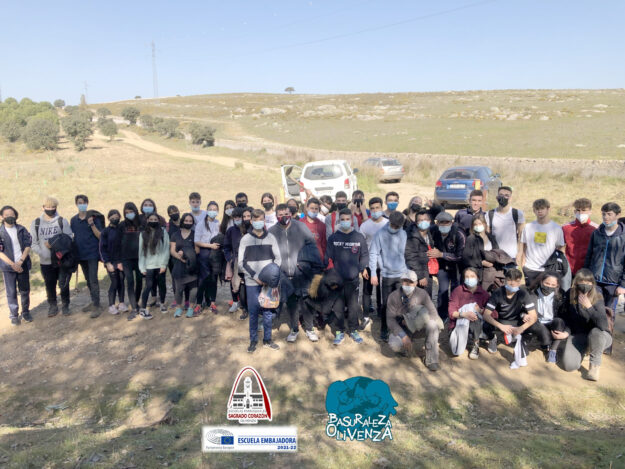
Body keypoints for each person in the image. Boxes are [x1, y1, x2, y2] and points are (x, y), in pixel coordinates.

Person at [269, 204, 322, 342]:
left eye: (286, 213)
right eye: (280, 215)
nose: (284, 217)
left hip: (302, 273)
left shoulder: (301, 227)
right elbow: (268, 252)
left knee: (306, 303)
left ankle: (310, 329)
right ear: (276, 216)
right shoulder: (272, 231)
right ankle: (294, 329)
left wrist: (307, 263)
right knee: (291, 304)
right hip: (284, 275)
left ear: (291, 214)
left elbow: (312, 245)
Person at [238, 209, 282, 352]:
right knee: (253, 311)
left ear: (264, 221)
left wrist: (270, 276)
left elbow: (278, 259)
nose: (258, 222)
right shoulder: (245, 239)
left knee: (268, 311)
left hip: (268, 283)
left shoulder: (271, 238)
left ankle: (267, 339)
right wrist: (255, 276)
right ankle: (253, 340)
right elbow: (241, 263)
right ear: (251, 221)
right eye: (255, 220)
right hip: (252, 282)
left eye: (261, 219)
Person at [558, 269, 612, 381]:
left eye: (588, 283)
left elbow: (602, 325)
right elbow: (566, 317)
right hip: (580, 335)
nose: (585, 285)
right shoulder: (570, 294)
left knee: (596, 333)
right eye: (581, 282)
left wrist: (589, 307)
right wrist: (566, 332)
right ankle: (585, 350)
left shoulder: (597, 297)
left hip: (600, 336)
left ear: (592, 284)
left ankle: (594, 366)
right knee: (569, 365)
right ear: (576, 282)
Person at [326, 208, 369, 345]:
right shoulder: (333, 237)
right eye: (342, 219)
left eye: (347, 219)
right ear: (339, 221)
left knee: (353, 306)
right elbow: (328, 257)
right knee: (338, 307)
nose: (345, 221)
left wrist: (362, 268)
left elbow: (364, 255)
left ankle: (353, 330)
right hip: (337, 280)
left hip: (353, 279)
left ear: (352, 220)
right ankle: (339, 331)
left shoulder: (359, 237)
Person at [482, 268, 540, 369]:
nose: (513, 283)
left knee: (535, 325)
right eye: (509, 280)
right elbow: (486, 314)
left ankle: (523, 341)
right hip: (501, 321)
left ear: (520, 282)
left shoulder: (523, 293)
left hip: (517, 321)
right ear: (505, 280)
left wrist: (521, 328)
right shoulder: (498, 293)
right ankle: (492, 338)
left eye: (516, 281)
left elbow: (534, 316)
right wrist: (501, 326)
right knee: (486, 325)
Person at [387, 270, 442, 371]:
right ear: (401, 281)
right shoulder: (393, 296)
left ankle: (431, 360)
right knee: (394, 344)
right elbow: (390, 320)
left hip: (418, 326)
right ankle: (405, 348)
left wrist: (417, 320)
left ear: (416, 283)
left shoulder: (423, 294)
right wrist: (403, 336)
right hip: (402, 328)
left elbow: (433, 313)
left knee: (433, 325)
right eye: (405, 281)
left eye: (411, 282)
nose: (407, 284)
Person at [30, 197, 73, 317]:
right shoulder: (36, 223)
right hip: (46, 262)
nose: (50, 209)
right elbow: (33, 243)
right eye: (48, 207)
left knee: (64, 284)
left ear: (56, 208)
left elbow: (69, 238)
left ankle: (65, 305)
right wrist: (43, 253)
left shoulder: (62, 221)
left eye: (53, 207)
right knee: (50, 284)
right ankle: (53, 306)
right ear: (43, 207)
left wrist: (55, 244)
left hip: (61, 260)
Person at [369, 211, 407, 342]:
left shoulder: (403, 233)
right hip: (386, 275)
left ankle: (399, 328)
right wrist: (373, 273)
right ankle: (384, 328)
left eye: (397, 227)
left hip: (401, 274)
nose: (394, 228)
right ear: (389, 221)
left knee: (401, 303)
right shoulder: (380, 234)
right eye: (393, 225)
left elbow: (405, 254)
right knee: (386, 304)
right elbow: (373, 253)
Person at [583, 202, 625, 312]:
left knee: (608, 312)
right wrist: (585, 276)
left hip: (613, 283)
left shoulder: (623, 236)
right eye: (603, 214)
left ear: (618, 215)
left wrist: (623, 285)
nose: (606, 217)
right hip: (595, 280)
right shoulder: (596, 233)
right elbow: (589, 256)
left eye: (609, 214)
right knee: (594, 310)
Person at [71, 194, 104, 317]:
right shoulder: (73, 220)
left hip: (92, 254)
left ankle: (97, 306)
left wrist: (92, 224)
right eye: (80, 202)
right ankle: (94, 301)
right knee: (88, 280)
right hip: (81, 255)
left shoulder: (93, 218)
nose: (82, 205)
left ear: (87, 203)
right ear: (76, 204)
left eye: (84, 202)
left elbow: (100, 236)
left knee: (93, 279)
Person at [519, 198, 565, 287]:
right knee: (530, 293)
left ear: (548, 209)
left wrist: (558, 266)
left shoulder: (556, 228)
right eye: (537, 209)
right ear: (534, 210)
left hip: (548, 269)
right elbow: (524, 247)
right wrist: (523, 265)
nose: (539, 211)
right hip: (530, 268)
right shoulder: (528, 227)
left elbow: (561, 248)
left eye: (542, 208)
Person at [430, 211, 466, 320]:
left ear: (452, 222)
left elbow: (460, 256)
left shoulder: (459, 233)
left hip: (457, 267)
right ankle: (442, 315)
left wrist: (441, 254)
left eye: (447, 222)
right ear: (437, 223)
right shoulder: (433, 232)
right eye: (441, 222)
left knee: (456, 291)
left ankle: (456, 314)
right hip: (442, 266)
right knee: (442, 291)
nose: (444, 225)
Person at [447, 267, 490, 359]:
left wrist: (481, 311)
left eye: (472, 276)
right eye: (467, 277)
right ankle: (469, 339)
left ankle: (476, 343)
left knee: (475, 317)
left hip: (478, 323)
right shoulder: (457, 291)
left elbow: (493, 314)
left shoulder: (484, 294)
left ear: (478, 278)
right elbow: (451, 312)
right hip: (458, 323)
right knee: (455, 350)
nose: (469, 279)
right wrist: (463, 314)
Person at [0, 206, 32, 325]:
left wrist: (20, 261)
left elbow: (28, 245)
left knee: (24, 290)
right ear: (1, 217)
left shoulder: (21, 229)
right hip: (8, 268)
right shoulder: (1, 232)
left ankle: (26, 312)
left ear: (16, 215)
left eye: (12, 214)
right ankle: (14, 315)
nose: (10, 217)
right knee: (11, 292)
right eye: (7, 215)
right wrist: (12, 264)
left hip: (22, 264)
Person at [359, 197, 387, 322]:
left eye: (377, 208)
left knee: (382, 290)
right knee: (367, 290)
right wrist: (363, 266)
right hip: (369, 263)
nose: (375, 210)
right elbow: (361, 247)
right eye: (372, 208)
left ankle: (382, 312)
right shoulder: (365, 226)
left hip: (384, 263)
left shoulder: (388, 224)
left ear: (382, 207)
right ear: (369, 210)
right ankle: (365, 315)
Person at [529, 272, 567, 363]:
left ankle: (553, 350)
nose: (549, 286)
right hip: (538, 322)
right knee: (546, 340)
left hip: (552, 322)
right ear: (541, 282)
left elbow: (563, 314)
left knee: (559, 321)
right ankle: (545, 344)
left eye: (553, 285)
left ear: (557, 285)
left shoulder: (561, 294)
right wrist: (524, 315)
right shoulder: (532, 293)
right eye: (547, 283)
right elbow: (523, 310)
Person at [138, 213, 170, 319]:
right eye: (151, 219)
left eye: (155, 219)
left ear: (158, 220)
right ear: (147, 220)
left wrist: (164, 264)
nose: (153, 221)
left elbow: (166, 249)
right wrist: (142, 267)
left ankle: (162, 303)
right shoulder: (143, 234)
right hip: (149, 265)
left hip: (160, 264)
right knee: (148, 286)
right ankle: (143, 309)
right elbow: (141, 252)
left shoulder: (163, 232)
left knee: (162, 284)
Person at [114, 202, 142, 319]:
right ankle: (134, 308)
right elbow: (117, 244)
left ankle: (136, 302)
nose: (129, 214)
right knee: (130, 281)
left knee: (139, 282)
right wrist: (118, 261)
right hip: (126, 259)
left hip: (140, 258)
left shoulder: (141, 224)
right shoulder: (121, 225)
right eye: (127, 212)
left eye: (131, 212)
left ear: (135, 211)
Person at [170, 213, 201, 318]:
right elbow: (172, 250)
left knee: (193, 288)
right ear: (182, 221)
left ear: (193, 223)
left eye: (190, 221)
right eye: (186, 221)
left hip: (192, 264)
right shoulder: (175, 234)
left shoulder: (195, 234)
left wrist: (186, 253)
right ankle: (179, 308)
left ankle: (191, 308)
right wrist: (180, 257)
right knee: (179, 288)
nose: (188, 222)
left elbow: (197, 250)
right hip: (179, 265)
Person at [486, 186, 525, 263]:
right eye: (501, 195)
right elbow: (486, 236)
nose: (503, 197)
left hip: (512, 256)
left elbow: (521, 236)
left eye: (507, 195)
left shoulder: (517, 213)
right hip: (495, 256)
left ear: (511, 198)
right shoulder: (489, 214)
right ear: (497, 197)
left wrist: (520, 253)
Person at [195, 201, 221, 313]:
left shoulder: (218, 223)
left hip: (215, 254)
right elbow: (197, 241)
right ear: (207, 210)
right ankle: (199, 303)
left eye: (215, 209)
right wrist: (210, 246)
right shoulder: (201, 224)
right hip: (204, 253)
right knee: (203, 279)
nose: (212, 211)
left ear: (218, 211)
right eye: (210, 209)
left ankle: (212, 303)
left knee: (213, 279)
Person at [99, 210, 126, 315]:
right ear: (109, 218)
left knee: (121, 281)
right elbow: (102, 249)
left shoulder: (122, 230)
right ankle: (111, 305)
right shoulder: (105, 232)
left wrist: (122, 261)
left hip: (121, 261)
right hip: (110, 261)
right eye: (112, 218)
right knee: (114, 282)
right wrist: (107, 263)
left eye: (117, 217)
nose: (115, 219)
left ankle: (122, 303)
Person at [562, 198, 597, 277]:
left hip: (588, 270)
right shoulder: (566, 228)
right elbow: (559, 247)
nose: (581, 213)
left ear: (590, 212)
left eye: (584, 210)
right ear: (575, 211)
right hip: (568, 269)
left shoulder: (596, 229)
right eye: (578, 210)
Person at [462, 214, 499, 287]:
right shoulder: (471, 239)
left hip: (491, 272)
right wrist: (481, 263)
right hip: (478, 273)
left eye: (480, 223)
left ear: (484, 224)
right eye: (475, 224)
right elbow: (466, 259)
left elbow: (497, 252)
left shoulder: (491, 237)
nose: (478, 226)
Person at [404, 210, 434, 297]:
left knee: (426, 298)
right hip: (418, 274)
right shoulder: (412, 237)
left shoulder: (428, 233)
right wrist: (421, 276)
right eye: (420, 220)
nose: (423, 222)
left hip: (427, 270)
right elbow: (411, 257)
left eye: (425, 219)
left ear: (430, 221)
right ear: (416, 222)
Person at [223, 207, 246, 315]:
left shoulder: (247, 229)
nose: (237, 219)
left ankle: (244, 305)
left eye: (239, 217)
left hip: (246, 261)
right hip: (234, 261)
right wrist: (230, 259)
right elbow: (226, 247)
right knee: (234, 283)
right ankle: (235, 302)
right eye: (235, 217)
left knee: (244, 284)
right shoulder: (230, 230)